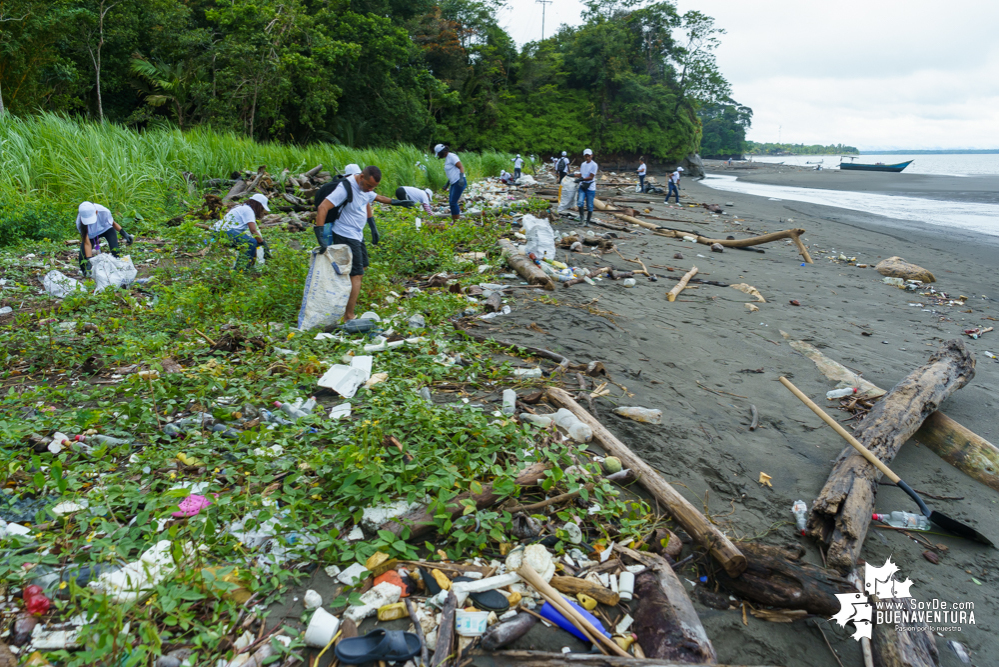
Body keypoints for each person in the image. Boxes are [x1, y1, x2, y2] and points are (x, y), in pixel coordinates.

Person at [313, 165, 415, 321]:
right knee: (357, 274)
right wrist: (319, 234)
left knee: (363, 266)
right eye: (369, 185)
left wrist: (396, 202)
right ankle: (348, 315)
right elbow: (323, 207)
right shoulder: (345, 187)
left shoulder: (365, 188)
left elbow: (376, 197)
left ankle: (344, 295)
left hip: (357, 234)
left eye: (373, 187)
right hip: (345, 234)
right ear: (361, 177)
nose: (370, 189)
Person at [212, 193, 270, 268]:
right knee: (251, 243)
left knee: (250, 243)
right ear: (258, 205)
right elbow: (253, 231)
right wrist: (264, 245)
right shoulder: (248, 210)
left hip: (218, 231)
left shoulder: (242, 208)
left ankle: (248, 267)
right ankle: (240, 270)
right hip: (225, 232)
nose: (262, 211)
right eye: (262, 208)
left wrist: (258, 244)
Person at [76, 201, 134, 277]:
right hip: (91, 235)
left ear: (96, 212)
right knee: (82, 258)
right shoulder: (79, 222)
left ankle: (119, 271)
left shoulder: (104, 211)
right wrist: (89, 260)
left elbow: (112, 223)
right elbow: (87, 243)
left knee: (115, 250)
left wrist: (124, 233)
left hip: (106, 229)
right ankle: (87, 275)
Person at [434, 144, 466, 222]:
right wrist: (447, 184)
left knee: (453, 202)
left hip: (459, 181)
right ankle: (455, 220)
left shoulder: (452, 156)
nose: (438, 155)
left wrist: (461, 179)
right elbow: (452, 173)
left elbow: (461, 167)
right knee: (451, 202)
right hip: (453, 182)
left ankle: (456, 222)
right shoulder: (447, 158)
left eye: (438, 153)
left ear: (442, 152)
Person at [574, 148, 598, 225]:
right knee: (580, 202)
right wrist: (574, 175)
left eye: (589, 156)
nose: (587, 157)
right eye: (586, 156)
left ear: (591, 155)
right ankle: (582, 218)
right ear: (584, 156)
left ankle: (587, 221)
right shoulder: (583, 164)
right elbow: (581, 174)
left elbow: (591, 177)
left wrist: (581, 179)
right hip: (582, 186)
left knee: (590, 205)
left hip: (590, 187)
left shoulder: (594, 165)